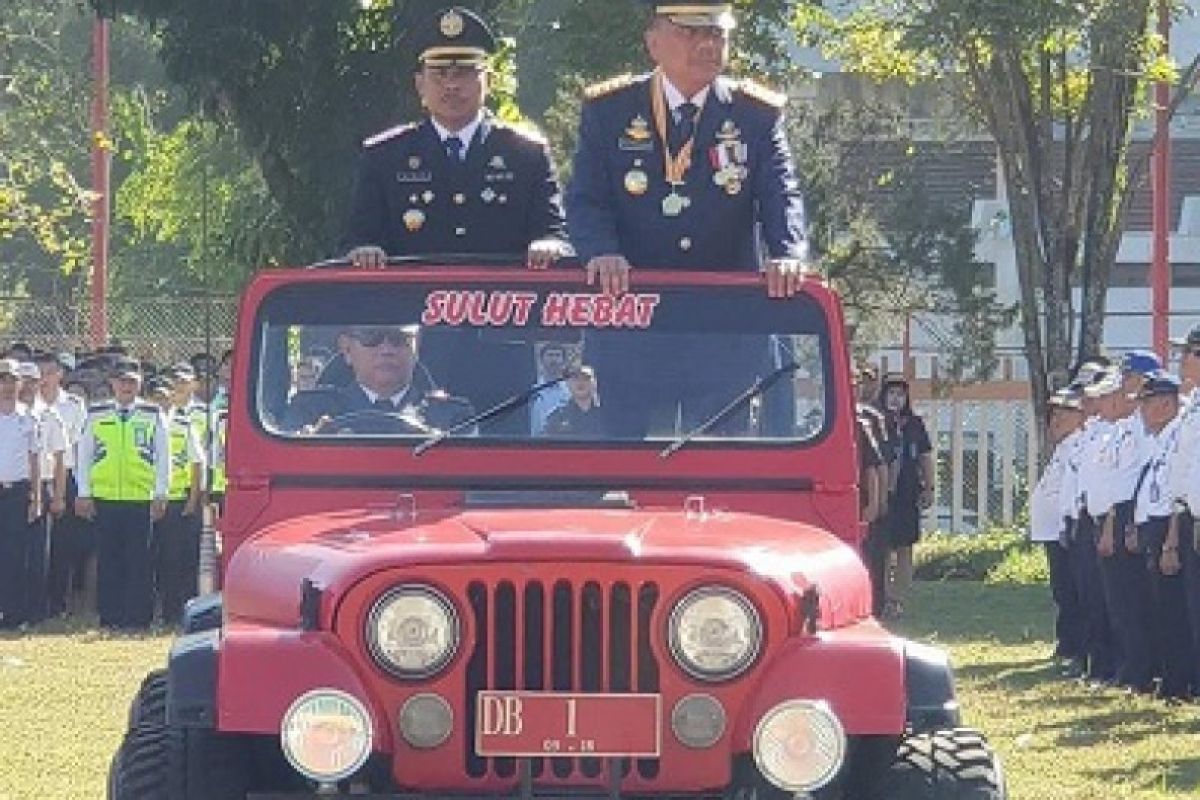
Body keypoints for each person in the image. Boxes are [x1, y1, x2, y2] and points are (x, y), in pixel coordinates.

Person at [566, 0, 810, 297]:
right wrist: (601, 252)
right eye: (690, 32)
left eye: (717, 33)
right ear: (653, 43)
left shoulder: (755, 115)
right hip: (630, 310)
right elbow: (587, 198)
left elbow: (781, 194)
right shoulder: (609, 111)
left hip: (728, 315)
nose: (707, 44)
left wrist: (787, 254)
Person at [344, 7, 569, 270]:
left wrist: (548, 245)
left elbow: (555, 233)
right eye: (439, 74)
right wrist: (365, 250)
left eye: (463, 72)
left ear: (489, 81)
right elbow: (358, 240)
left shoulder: (526, 155)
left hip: (500, 305)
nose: (451, 85)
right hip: (408, 306)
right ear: (419, 84)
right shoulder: (384, 157)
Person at [74, 359, 170, 629]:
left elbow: (163, 456)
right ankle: (110, 616)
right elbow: (84, 454)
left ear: (139, 384)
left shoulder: (152, 413)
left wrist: (160, 493)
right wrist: (84, 492)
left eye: (132, 381)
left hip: (140, 498)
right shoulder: (96, 413)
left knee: (139, 560)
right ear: (112, 384)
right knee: (109, 559)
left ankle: (138, 618)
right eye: (122, 381)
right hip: (105, 498)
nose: (126, 386)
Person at [283, 325, 471, 434]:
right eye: (371, 337)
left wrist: (441, 449)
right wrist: (313, 444)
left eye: (399, 338)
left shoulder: (452, 417)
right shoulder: (309, 410)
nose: (386, 350)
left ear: (416, 348)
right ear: (347, 349)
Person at [1133, 371, 1191, 700]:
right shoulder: (1160, 438)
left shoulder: (1176, 434)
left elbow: (1175, 494)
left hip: (1170, 524)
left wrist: (1170, 539)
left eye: (1147, 403)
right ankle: (1170, 678)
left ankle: (1179, 682)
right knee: (1159, 608)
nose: (1142, 410)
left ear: (1167, 403)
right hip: (1152, 524)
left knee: (1173, 611)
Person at [1029, 387, 1086, 675]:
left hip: (1064, 530)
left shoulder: (1078, 445)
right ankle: (1067, 642)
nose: (1055, 420)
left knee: (1071, 590)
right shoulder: (1063, 448)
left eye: (1064, 413)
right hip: (1052, 531)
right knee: (1062, 590)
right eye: (1053, 414)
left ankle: (1074, 645)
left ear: (1080, 415)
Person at [35, 351, 89, 617]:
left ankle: (58, 603)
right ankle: (35, 601)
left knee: (62, 543)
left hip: (65, 479)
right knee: (35, 544)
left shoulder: (74, 405)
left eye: (49, 372)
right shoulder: (28, 405)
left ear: (60, 375)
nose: (44, 378)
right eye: (40, 372)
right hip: (36, 479)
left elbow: (77, 448)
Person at [154, 371, 206, 626]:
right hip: (150, 500)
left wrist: (192, 499)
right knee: (159, 559)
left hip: (177, 501)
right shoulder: (144, 423)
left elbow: (197, 463)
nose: (161, 402)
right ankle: (162, 609)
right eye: (156, 398)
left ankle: (177, 611)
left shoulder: (184, 425)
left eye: (165, 397)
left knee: (178, 559)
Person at [880, 373, 932, 618]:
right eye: (891, 393)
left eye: (900, 394)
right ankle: (883, 597)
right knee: (882, 548)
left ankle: (898, 599)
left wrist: (929, 487)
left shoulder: (915, 424)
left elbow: (925, 457)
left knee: (904, 548)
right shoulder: (876, 422)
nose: (895, 398)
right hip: (881, 495)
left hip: (907, 493)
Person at [0, 359, 41, 628]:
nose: (7, 386)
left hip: (17, 492)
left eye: (12, 380)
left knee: (15, 554)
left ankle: (14, 614)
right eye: (2, 380)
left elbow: (34, 459)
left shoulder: (29, 417)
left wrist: (36, 498)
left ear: (20, 384)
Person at [544, 367, 604, 438]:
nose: (580, 382)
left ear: (594, 383)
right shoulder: (556, 418)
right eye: (575, 378)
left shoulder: (605, 416)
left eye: (586, 378)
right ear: (568, 383)